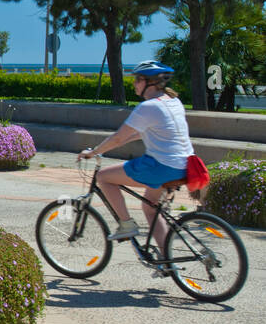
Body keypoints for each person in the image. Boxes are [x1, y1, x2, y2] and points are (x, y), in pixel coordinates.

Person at [78, 60, 195, 250]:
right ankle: (168, 261)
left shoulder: (148, 107)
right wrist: (115, 144)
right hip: (184, 166)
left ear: (146, 82)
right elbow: (138, 134)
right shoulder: (173, 102)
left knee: (103, 177)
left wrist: (94, 152)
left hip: (160, 167)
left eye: (136, 80)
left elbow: (117, 137)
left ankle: (126, 224)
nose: (134, 84)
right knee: (150, 207)